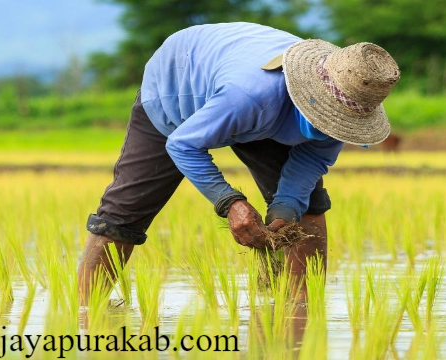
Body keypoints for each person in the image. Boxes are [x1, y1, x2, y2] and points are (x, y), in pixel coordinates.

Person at [78, 22, 400, 303]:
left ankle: (300, 311)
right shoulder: (250, 96)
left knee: (307, 210)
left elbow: (312, 160)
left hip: (259, 106)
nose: (333, 127)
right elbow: (182, 144)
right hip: (178, 86)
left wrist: (286, 208)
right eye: (328, 118)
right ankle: (84, 313)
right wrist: (230, 202)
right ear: (310, 97)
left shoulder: (348, 105)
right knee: (123, 215)